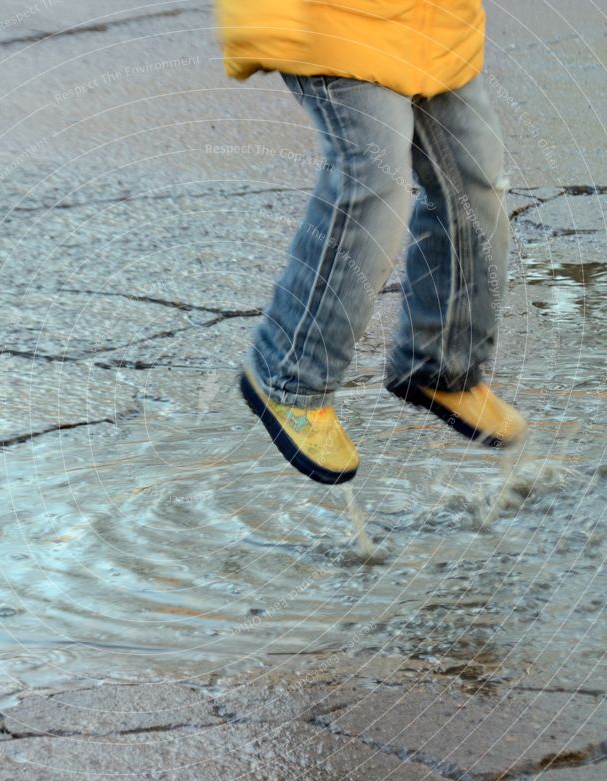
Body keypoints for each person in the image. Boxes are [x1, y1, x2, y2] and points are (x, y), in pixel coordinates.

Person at [215, 1, 527, 484]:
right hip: (330, 18)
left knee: (475, 183)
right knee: (375, 182)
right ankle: (289, 375)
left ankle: (442, 366)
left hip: (436, 24)